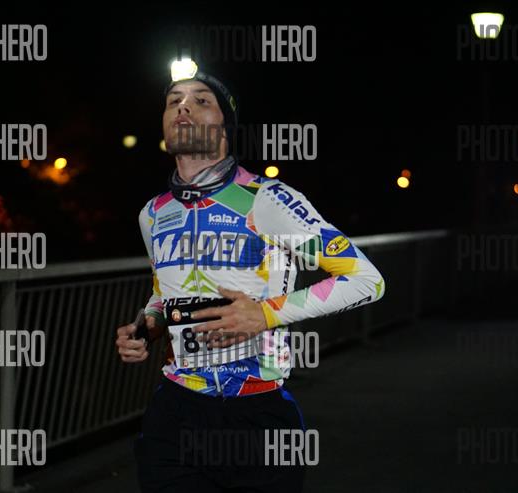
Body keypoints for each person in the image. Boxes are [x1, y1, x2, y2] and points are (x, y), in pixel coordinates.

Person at [115, 60, 385, 492]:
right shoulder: (153, 213)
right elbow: (163, 293)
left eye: (201, 101)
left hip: (258, 414)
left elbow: (366, 280)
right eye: (173, 101)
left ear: (225, 126)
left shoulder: (266, 199)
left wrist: (265, 314)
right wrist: (147, 326)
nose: (183, 107)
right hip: (174, 414)